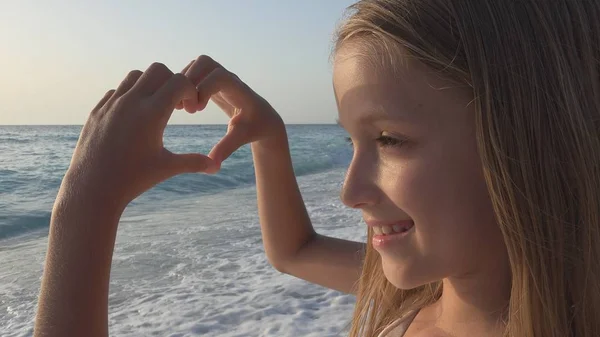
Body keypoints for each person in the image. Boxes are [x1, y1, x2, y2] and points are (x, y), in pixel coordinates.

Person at [33, 0, 600, 336]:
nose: (350, 191)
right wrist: (269, 138)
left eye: (390, 139)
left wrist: (84, 208)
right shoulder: (423, 292)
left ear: (529, 141)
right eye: (352, 140)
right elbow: (294, 252)